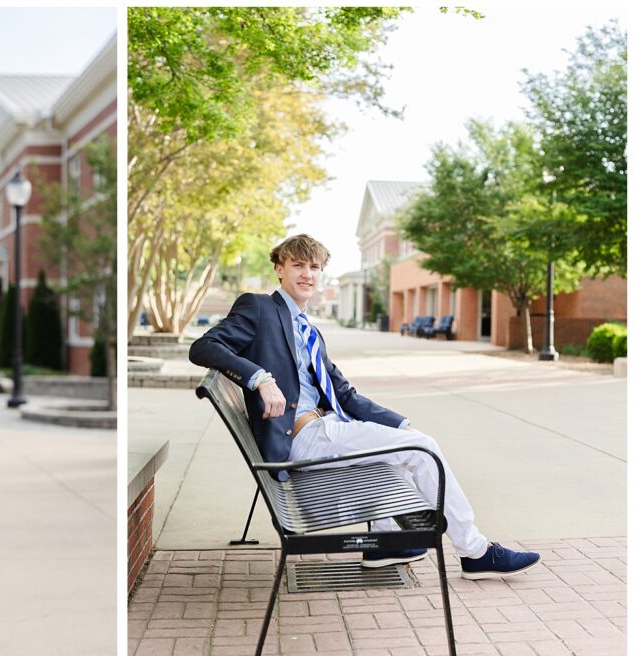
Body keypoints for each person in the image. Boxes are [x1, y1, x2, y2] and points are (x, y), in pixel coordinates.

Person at [189, 233, 539, 579]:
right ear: (280, 269)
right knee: (423, 450)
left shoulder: (308, 329)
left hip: (323, 429)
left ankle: (385, 544)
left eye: (314, 267)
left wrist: (398, 424)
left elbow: (345, 394)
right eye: (298, 265)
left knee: (402, 448)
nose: (307, 274)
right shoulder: (260, 307)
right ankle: (475, 551)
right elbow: (204, 347)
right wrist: (260, 379)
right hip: (302, 437)